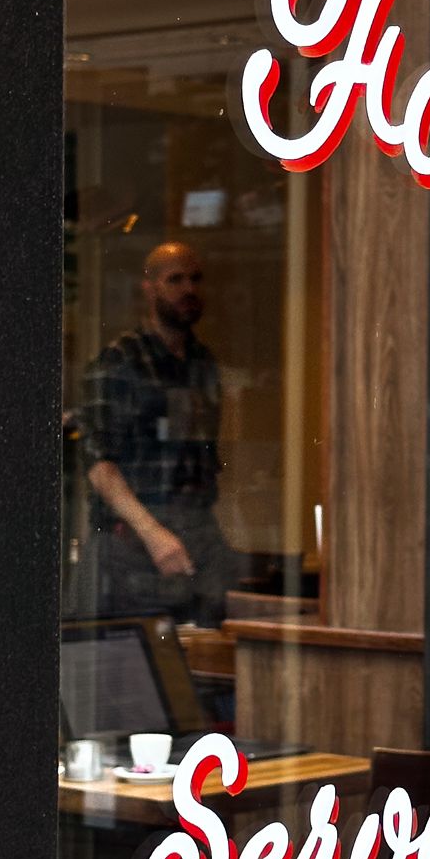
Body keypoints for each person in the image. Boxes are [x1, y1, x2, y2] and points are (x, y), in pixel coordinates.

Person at [75, 240, 243, 625]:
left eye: (195, 279)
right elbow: (98, 464)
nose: (189, 289)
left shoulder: (202, 363)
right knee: (137, 653)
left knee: (207, 647)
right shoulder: (120, 360)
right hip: (134, 541)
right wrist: (152, 533)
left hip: (197, 534)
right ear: (149, 288)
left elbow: (204, 459)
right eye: (175, 280)